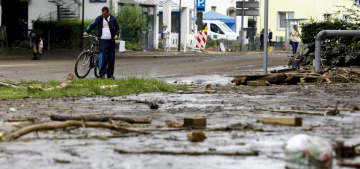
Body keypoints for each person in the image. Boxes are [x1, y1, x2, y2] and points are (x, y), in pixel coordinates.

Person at [83, 6, 120, 80]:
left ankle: (110, 75)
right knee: (102, 57)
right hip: (102, 40)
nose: (103, 15)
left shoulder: (113, 19)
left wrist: (116, 35)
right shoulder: (99, 18)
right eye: (102, 14)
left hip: (111, 41)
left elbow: (118, 29)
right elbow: (92, 25)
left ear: (108, 12)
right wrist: (87, 31)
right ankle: (102, 74)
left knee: (111, 58)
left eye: (105, 14)